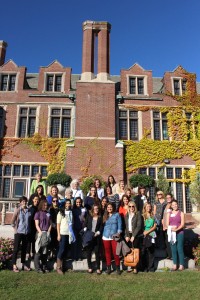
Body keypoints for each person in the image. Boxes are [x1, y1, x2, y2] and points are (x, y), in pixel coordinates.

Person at [11, 196, 31, 272]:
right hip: (18, 233)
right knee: (16, 249)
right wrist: (15, 230)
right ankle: (14, 265)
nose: (24, 202)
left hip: (26, 233)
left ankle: (23, 264)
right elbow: (12, 222)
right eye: (22, 201)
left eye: (25, 201)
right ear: (20, 202)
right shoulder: (17, 210)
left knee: (24, 250)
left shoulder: (28, 210)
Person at [102, 203, 122, 275]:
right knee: (107, 253)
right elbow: (103, 226)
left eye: (110, 207)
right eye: (108, 207)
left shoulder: (117, 215)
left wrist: (118, 233)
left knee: (116, 252)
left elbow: (120, 226)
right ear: (106, 208)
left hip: (114, 236)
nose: (109, 208)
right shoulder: (105, 215)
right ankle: (109, 268)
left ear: (113, 208)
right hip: (106, 236)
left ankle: (118, 268)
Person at [56, 199, 75, 275]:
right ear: (64, 204)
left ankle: (63, 266)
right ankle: (58, 267)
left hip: (69, 234)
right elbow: (58, 224)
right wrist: (58, 234)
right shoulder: (60, 212)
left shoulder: (71, 212)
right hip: (62, 233)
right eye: (67, 203)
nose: (68, 204)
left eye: (69, 203)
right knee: (61, 250)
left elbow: (72, 223)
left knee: (65, 250)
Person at [83, 204, 103, 274]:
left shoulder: (100, 218)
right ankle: (90, 267)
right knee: (89, 252)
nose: (96, 210)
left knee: (97, 252)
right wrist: (85, 229)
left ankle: (98, 268)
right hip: (89, 237)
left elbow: (101, 227)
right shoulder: (89, 216)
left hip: (96, 237)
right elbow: (85, 224)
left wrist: (98, 232)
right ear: (92, 209)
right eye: (95, 209)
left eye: (97, 208)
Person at [166, 200, 185, 271]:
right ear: (171, 206)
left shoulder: (181, 213)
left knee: (179, 248)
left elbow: (182, 224)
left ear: (178, 205)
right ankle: (175, 265)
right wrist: (171, 228)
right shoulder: (169, 213)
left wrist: (177, 229)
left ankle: (181, 265)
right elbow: (167, 224)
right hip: (171, 233)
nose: (174, 206)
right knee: (173, 249)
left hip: (180, 233)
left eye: (176, 204)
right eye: (173, 205)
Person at [124, 201, 142, 274]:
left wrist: (134, 236)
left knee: (135, 251)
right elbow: (125, 227)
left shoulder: (138, 214)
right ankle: (129, 265)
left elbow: (139, 226)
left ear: (135, 207)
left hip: (135, 235)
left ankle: (135, 267)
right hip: (128, 235)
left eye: (133, 206)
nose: (131, 208)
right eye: (130, 206)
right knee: (129, 251)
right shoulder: (126, 215)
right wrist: (126, 236)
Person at [34, 200, 52, 273]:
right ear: (41, 205)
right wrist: (40, 232)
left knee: (45, 252)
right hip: (40, 233)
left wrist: (48, 232)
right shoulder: (37, 213)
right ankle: (38, 268)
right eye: (44, 205)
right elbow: (36, 224)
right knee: (38, 251)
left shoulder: (48, 214)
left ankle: (44, 266)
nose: (45, 206)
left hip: (46, 233)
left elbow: (50, 223)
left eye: (46, 205)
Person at [142, 202, 157, 272]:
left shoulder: (153, 215)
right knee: (144, 251)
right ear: (145, 207)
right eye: (147, 206)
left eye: (149, 206)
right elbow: (142, 226)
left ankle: (151, 267)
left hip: (151, 234)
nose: (149, 208)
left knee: (151, 251)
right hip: (144, 236)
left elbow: (154, 226)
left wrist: (148, 231)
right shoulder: (143, 216)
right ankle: (145, 267)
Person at [27, 195, 39, 259]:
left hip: (36, 227)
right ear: (33, 200)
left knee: (34, 241)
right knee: (29, 241)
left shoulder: (38, 208)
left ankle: (33, 253)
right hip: (31, 227)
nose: (36, 201)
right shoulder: (31, 208)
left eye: (37, 200)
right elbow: (29, 218)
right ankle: (28, 254)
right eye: (35, 199)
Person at [162, 193, 173, 259]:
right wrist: (163, 224)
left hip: (171, 226)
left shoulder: (173, 205)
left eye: (169, 197)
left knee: (171, 240)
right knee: (167, 241)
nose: (168, 198)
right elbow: (163, 216)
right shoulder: (165, 206)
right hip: (165, 226)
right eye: (167, 198)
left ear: (171, 198)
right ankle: (169, 255)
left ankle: (172, 255)